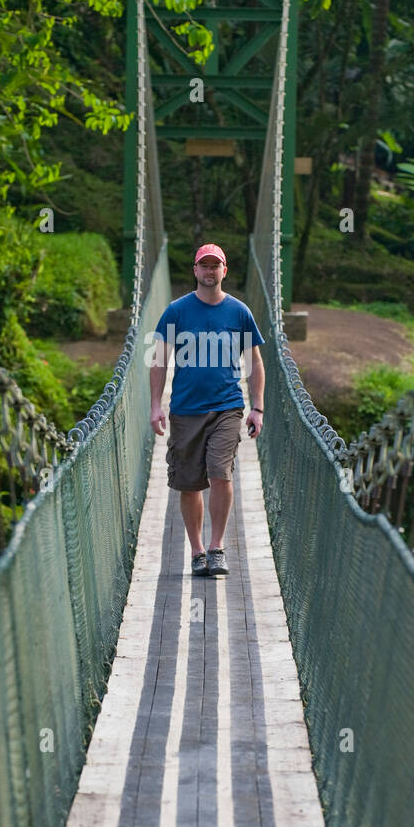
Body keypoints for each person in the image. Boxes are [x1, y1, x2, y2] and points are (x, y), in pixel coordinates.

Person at [148, 243, 265, 577]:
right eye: (205, 265)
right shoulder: (176, 311)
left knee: (219, 472)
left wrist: (257, 408)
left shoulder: (240, 312)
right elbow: (158, 358)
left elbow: (255, 361)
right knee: (189, 484)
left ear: (224, 271)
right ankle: (197, 551)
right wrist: (156, 405)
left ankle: (216, 547)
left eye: (217, 266)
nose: (210, 271)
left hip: (227, 406)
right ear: (195, 270)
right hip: (185, 409)